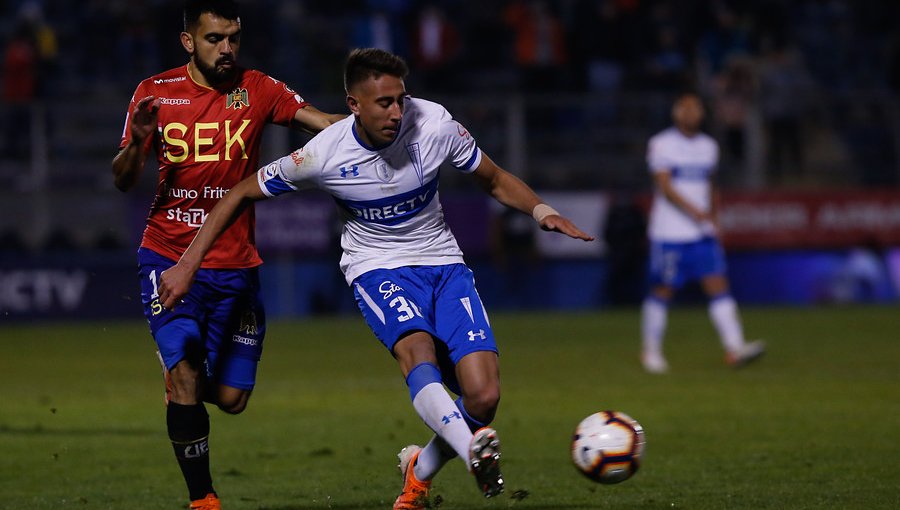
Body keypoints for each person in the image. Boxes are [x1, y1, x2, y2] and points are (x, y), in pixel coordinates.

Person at [158, 48, 594, 509]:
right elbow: (242, 191)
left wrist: (543, 211)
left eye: (400, 99)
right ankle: (472, 454)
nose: (396, 111)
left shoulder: (434, 123)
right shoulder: (323, 154)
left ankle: (418, 473)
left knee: (483, 398)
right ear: (353, 105)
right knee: (417, 350)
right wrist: (188, 262)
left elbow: (492, 177)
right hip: (377, 267)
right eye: (383, 102)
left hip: (444, 265)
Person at [110, 1, 343, 508]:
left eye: (234, 37)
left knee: (233, 399)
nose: (227, 48)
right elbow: (125, 178)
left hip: (236, 264)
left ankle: (181, 381)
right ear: (188, 41)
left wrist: (372, 123)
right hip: (168, 255)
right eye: (215, 38)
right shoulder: (155, 93)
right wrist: (140, 142)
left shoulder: (257, 88)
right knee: (187, 374)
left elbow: (323, 122)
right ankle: (204, 499)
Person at [640, 92, 765, 374]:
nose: (690, 112)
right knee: (663, 290)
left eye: (694, 108)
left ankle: (735, 348)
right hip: (670, 233)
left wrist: (714, 219)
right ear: (675, 113)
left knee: (718, 286)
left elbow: (711, 185)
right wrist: (695, 211)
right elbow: (665, 186)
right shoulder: (662, 143)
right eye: (684, 107)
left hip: (702, 233)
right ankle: (650, 351)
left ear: (702, 114)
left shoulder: (709, 146)